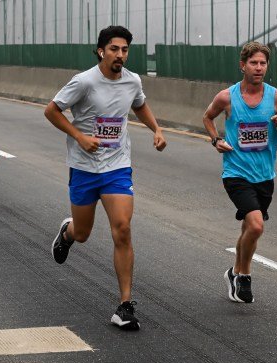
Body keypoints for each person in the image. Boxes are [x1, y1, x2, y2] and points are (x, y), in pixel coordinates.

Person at [44, 26, 167, 331]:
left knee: (122, 229)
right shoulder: (84, 81)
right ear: (101, 51)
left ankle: (124, 305)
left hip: (117, 166)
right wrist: (79, 136)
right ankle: (68, 233)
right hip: (84, 167)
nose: (120, 55)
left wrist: (157, 130)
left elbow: (139, 104)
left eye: (125, 50)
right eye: (114, 49)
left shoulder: (132, 81)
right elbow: (52, 111)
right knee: (83, 233)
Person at [202, 42, 277, 303]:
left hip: (265, 175)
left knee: (249, 227)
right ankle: (243, 275)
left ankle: (233, 273)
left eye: (263, 63)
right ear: (242, 65)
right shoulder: (227, 97)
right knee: (256, 225)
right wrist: (215, 140)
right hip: (236, 173)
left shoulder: (276, 97)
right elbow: (207, 117)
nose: (259, 68)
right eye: (254, 63)